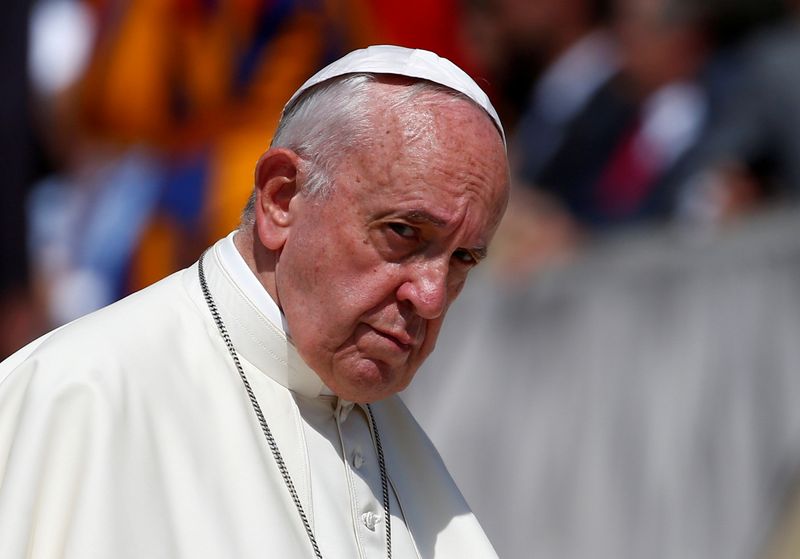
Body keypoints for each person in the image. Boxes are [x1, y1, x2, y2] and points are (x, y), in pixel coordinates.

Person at [0, 45, 508, 558]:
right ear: (281, 198)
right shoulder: (75, 397)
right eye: (403, 232)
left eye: (463, 257)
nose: (432, 296)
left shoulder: (413, 462)